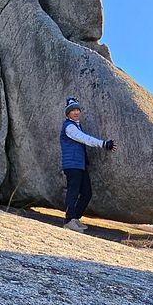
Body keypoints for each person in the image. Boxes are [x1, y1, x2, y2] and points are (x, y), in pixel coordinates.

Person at [60, 97, 116, 231]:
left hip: (80, 165)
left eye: (77, 109)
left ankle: (75, 218)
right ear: (68, 114)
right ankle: (68, 221)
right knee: (73, 192)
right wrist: (103, 144)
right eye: (72, 110)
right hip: (72, 165)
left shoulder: (77, 126)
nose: (76, 112)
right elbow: (84, 139)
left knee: (87, 193)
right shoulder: (69, 127)